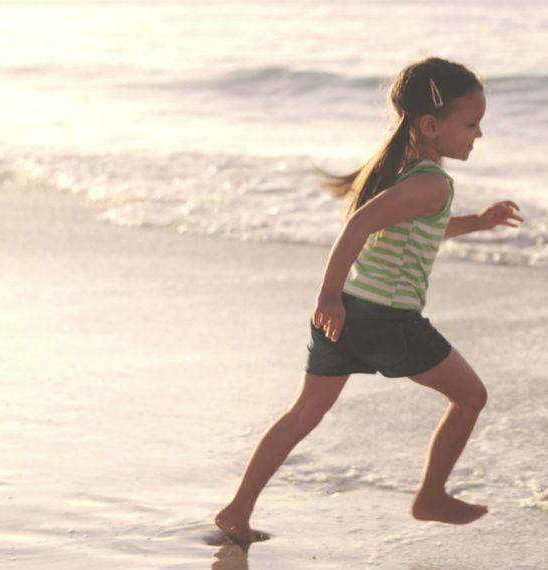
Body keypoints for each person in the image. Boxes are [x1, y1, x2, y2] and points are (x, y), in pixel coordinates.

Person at [215, 57, 522, 545]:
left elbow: (422, 227)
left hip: (351, 314)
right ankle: (431, 496)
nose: (478, 134)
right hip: (386, 319)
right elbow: (356, 227)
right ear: (430, 124)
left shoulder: (408, 174)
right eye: (472, 123)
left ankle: (237, 510)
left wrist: (478, 223)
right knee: (470, 397)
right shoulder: (431, 181)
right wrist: (327, 293)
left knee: (302, 415)